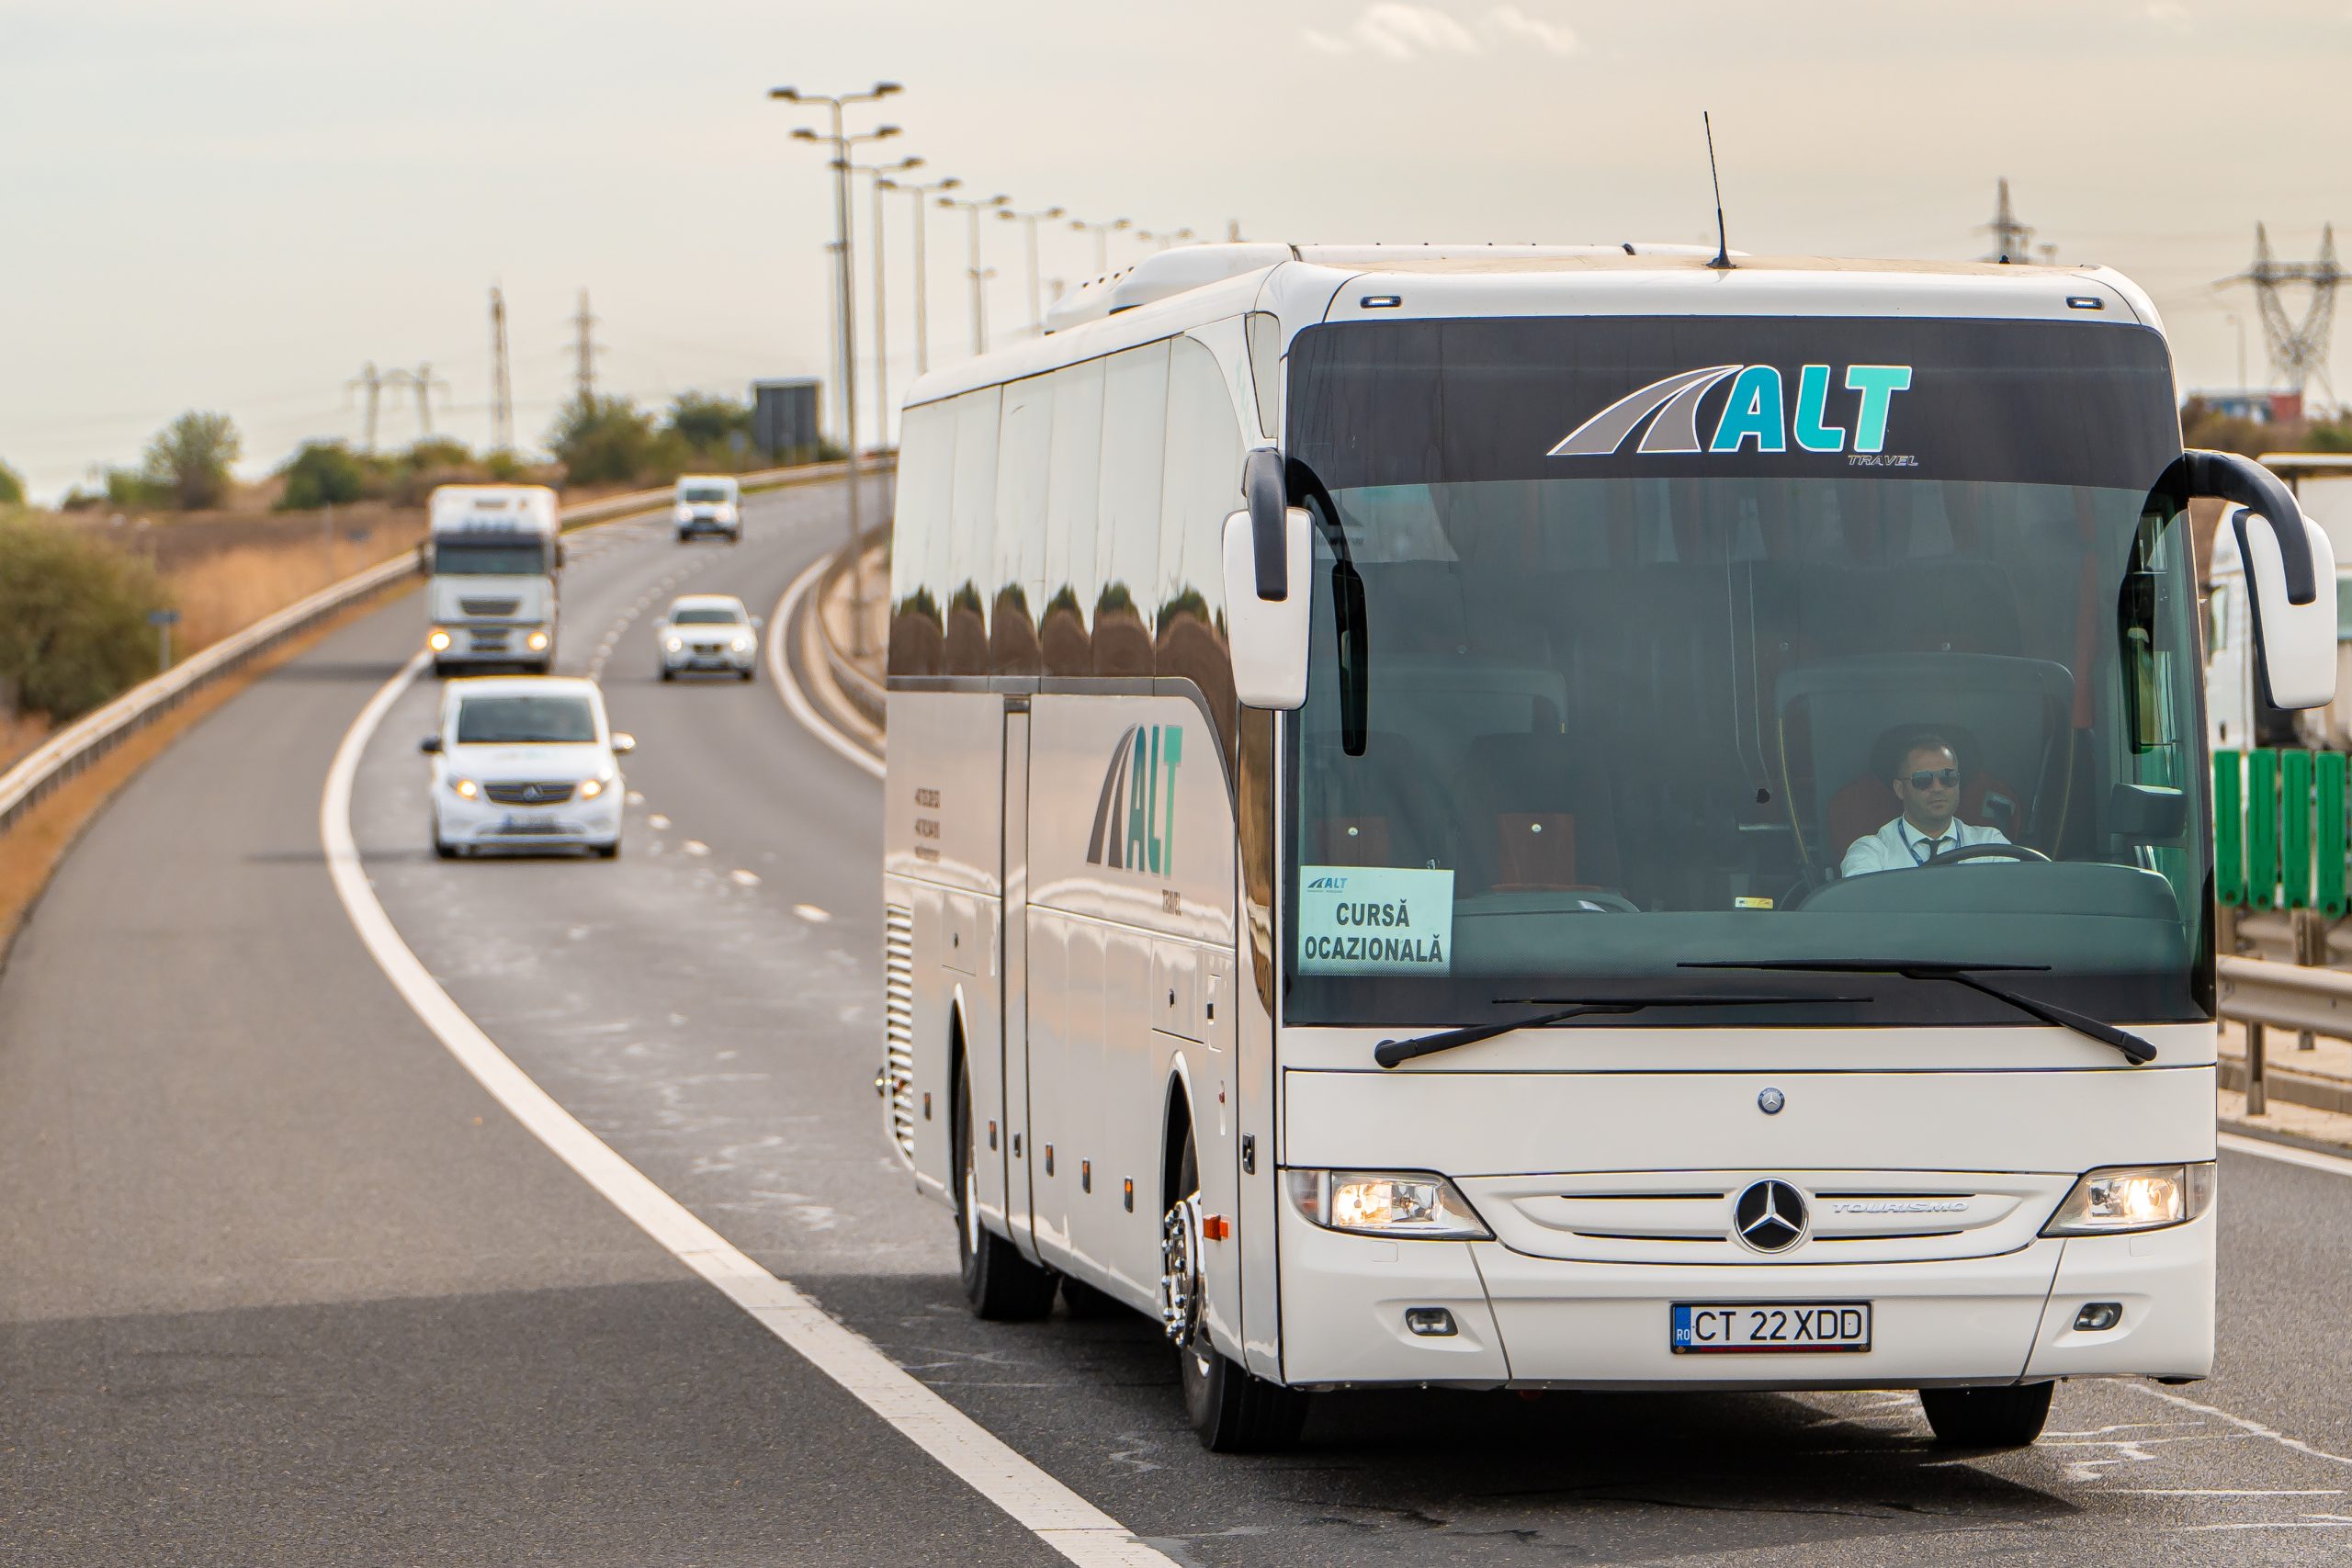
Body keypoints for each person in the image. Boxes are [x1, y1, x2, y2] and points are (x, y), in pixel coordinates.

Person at [1839, 734, 2009, 876]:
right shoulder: (1871, 851)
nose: (1937, 788)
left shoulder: (1991, 843)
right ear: (1899, 789)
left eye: (1947, 777)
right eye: (1922, 780)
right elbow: (1862, 907)